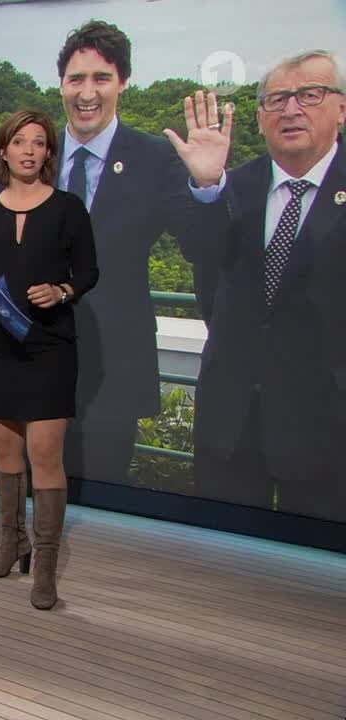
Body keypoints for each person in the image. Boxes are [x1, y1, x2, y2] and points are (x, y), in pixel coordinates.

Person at [165, 51, 346, 522]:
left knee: (317, 560)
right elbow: (201, 256)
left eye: (310, 95)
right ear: (261, 117)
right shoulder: (232, 187)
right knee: (223, 553)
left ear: (341, 109)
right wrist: (207, 185)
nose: (291, 110)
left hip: (327, 427)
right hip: (231, 421)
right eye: (277, 99)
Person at [0, 110, 98, 610]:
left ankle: (44, 568)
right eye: (19, 142)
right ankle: (11, 544)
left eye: (38, 143)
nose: (29, 150)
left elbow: (89, 272)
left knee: (45, 455)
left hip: (49, 346)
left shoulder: (69, 208)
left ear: (48, 154)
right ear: (3, 150)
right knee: (5, 453)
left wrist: (63, 291)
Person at [52, 20, 197, 487]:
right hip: (37, 364)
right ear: (61, 84)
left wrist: (208, 185)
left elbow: (198, 243)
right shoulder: (35, 151)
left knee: (101, 495)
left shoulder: (155, 157)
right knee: (36, 494)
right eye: (76, 78)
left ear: (123, 82)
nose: (87, 92)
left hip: (114, 369)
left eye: (102, 78)